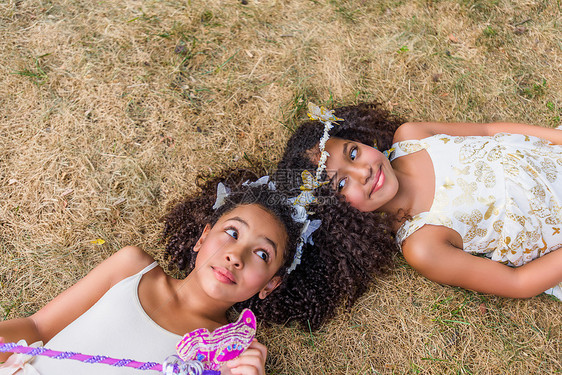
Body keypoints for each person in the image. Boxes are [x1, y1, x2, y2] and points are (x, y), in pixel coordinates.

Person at [0, 170, 373, 374]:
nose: (235, 256)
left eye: (261, 253)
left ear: (270, 285)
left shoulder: (227, 354)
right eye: (231, 233)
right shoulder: (132, 268)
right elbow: (36, 328)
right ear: (202, 238)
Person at [277, 102, 562, 300]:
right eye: (341, 183)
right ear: (340, 212)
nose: (363, 171)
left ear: (359, 139)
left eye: (352, 154)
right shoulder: (422, 244)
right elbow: (519, 283)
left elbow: (489, 131)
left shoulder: (412, 136)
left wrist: (557, 138)